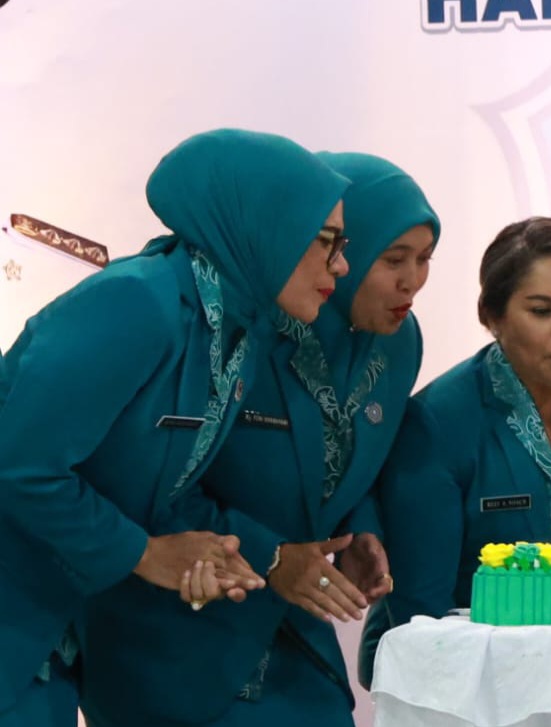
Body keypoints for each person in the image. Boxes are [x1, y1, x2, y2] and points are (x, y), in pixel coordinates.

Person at [73, 152, 439, 726]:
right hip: (177, 627)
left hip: (293, 633)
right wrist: (271, 556)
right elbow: (149, 479)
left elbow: (355, 456)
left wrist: (360, 531)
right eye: (393, 258)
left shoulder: (399, 343)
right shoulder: (240, 325)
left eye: (424, 258)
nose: (412, 280)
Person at [0, 128, 349, 727]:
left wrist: (234, 554)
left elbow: (154, 487)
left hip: (55, 632)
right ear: (264, 226)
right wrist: (144, 553)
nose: (340, 264)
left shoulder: (237, 333)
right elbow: (20, 465)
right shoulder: (134, 302)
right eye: (325, 241)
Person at [359, 217, 551, 687]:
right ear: (492, 317)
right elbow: (422, 610)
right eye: (542, 311)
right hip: (468, 667)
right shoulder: (436, 421)